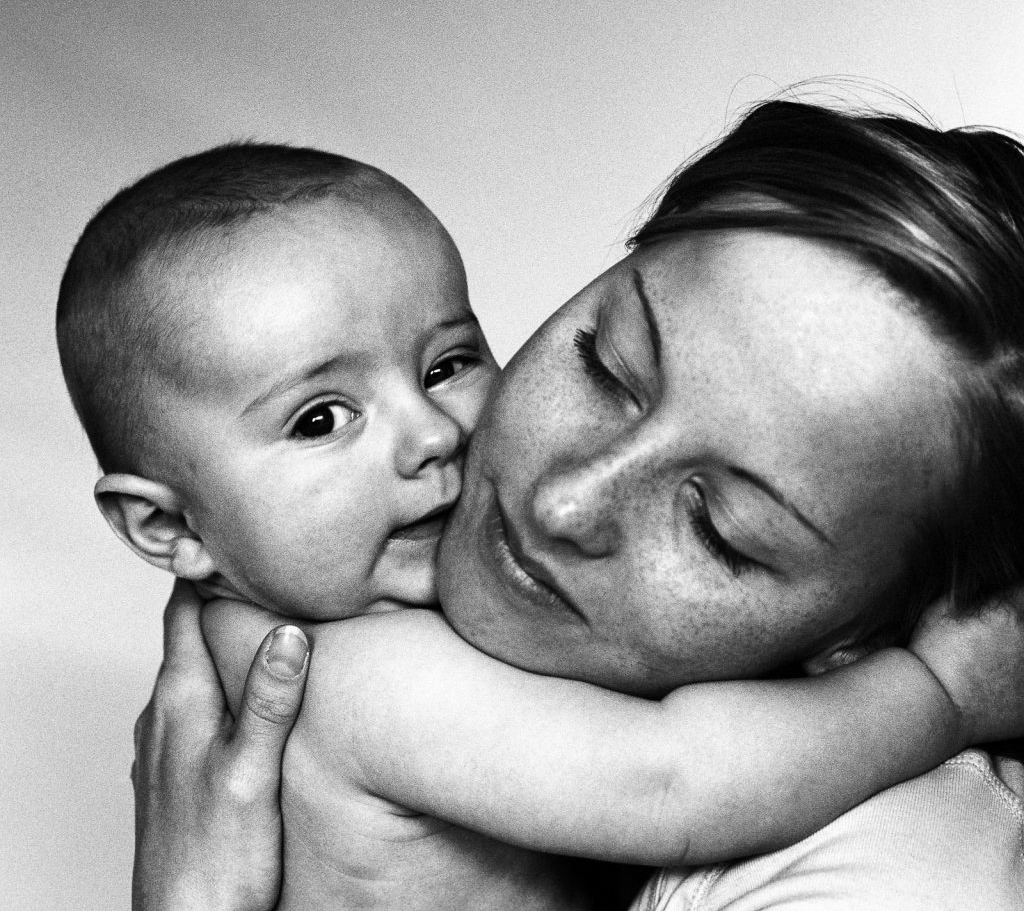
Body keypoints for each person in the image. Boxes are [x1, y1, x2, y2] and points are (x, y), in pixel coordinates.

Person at [61, 136, 993, 909]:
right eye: (319, 420)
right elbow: (671, 782)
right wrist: (939, 691)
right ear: (166, 528)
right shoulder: (352, 675)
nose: (431, 435)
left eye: (445, 364)